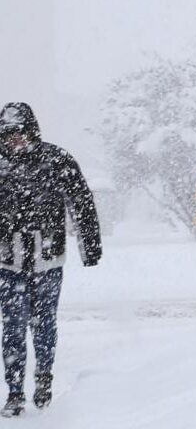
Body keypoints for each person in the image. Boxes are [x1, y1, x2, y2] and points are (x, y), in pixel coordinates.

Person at [0, 103, 102, 416]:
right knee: (13, 327)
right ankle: (15, 392)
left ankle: (44, 379)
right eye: (8, 134)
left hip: (48, 259)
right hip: (8, 261)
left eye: (20, 133)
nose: (15, 140)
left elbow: (82, 203)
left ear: (32, 131)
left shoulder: (56, 160)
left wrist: (90, 246)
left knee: (44, 323)